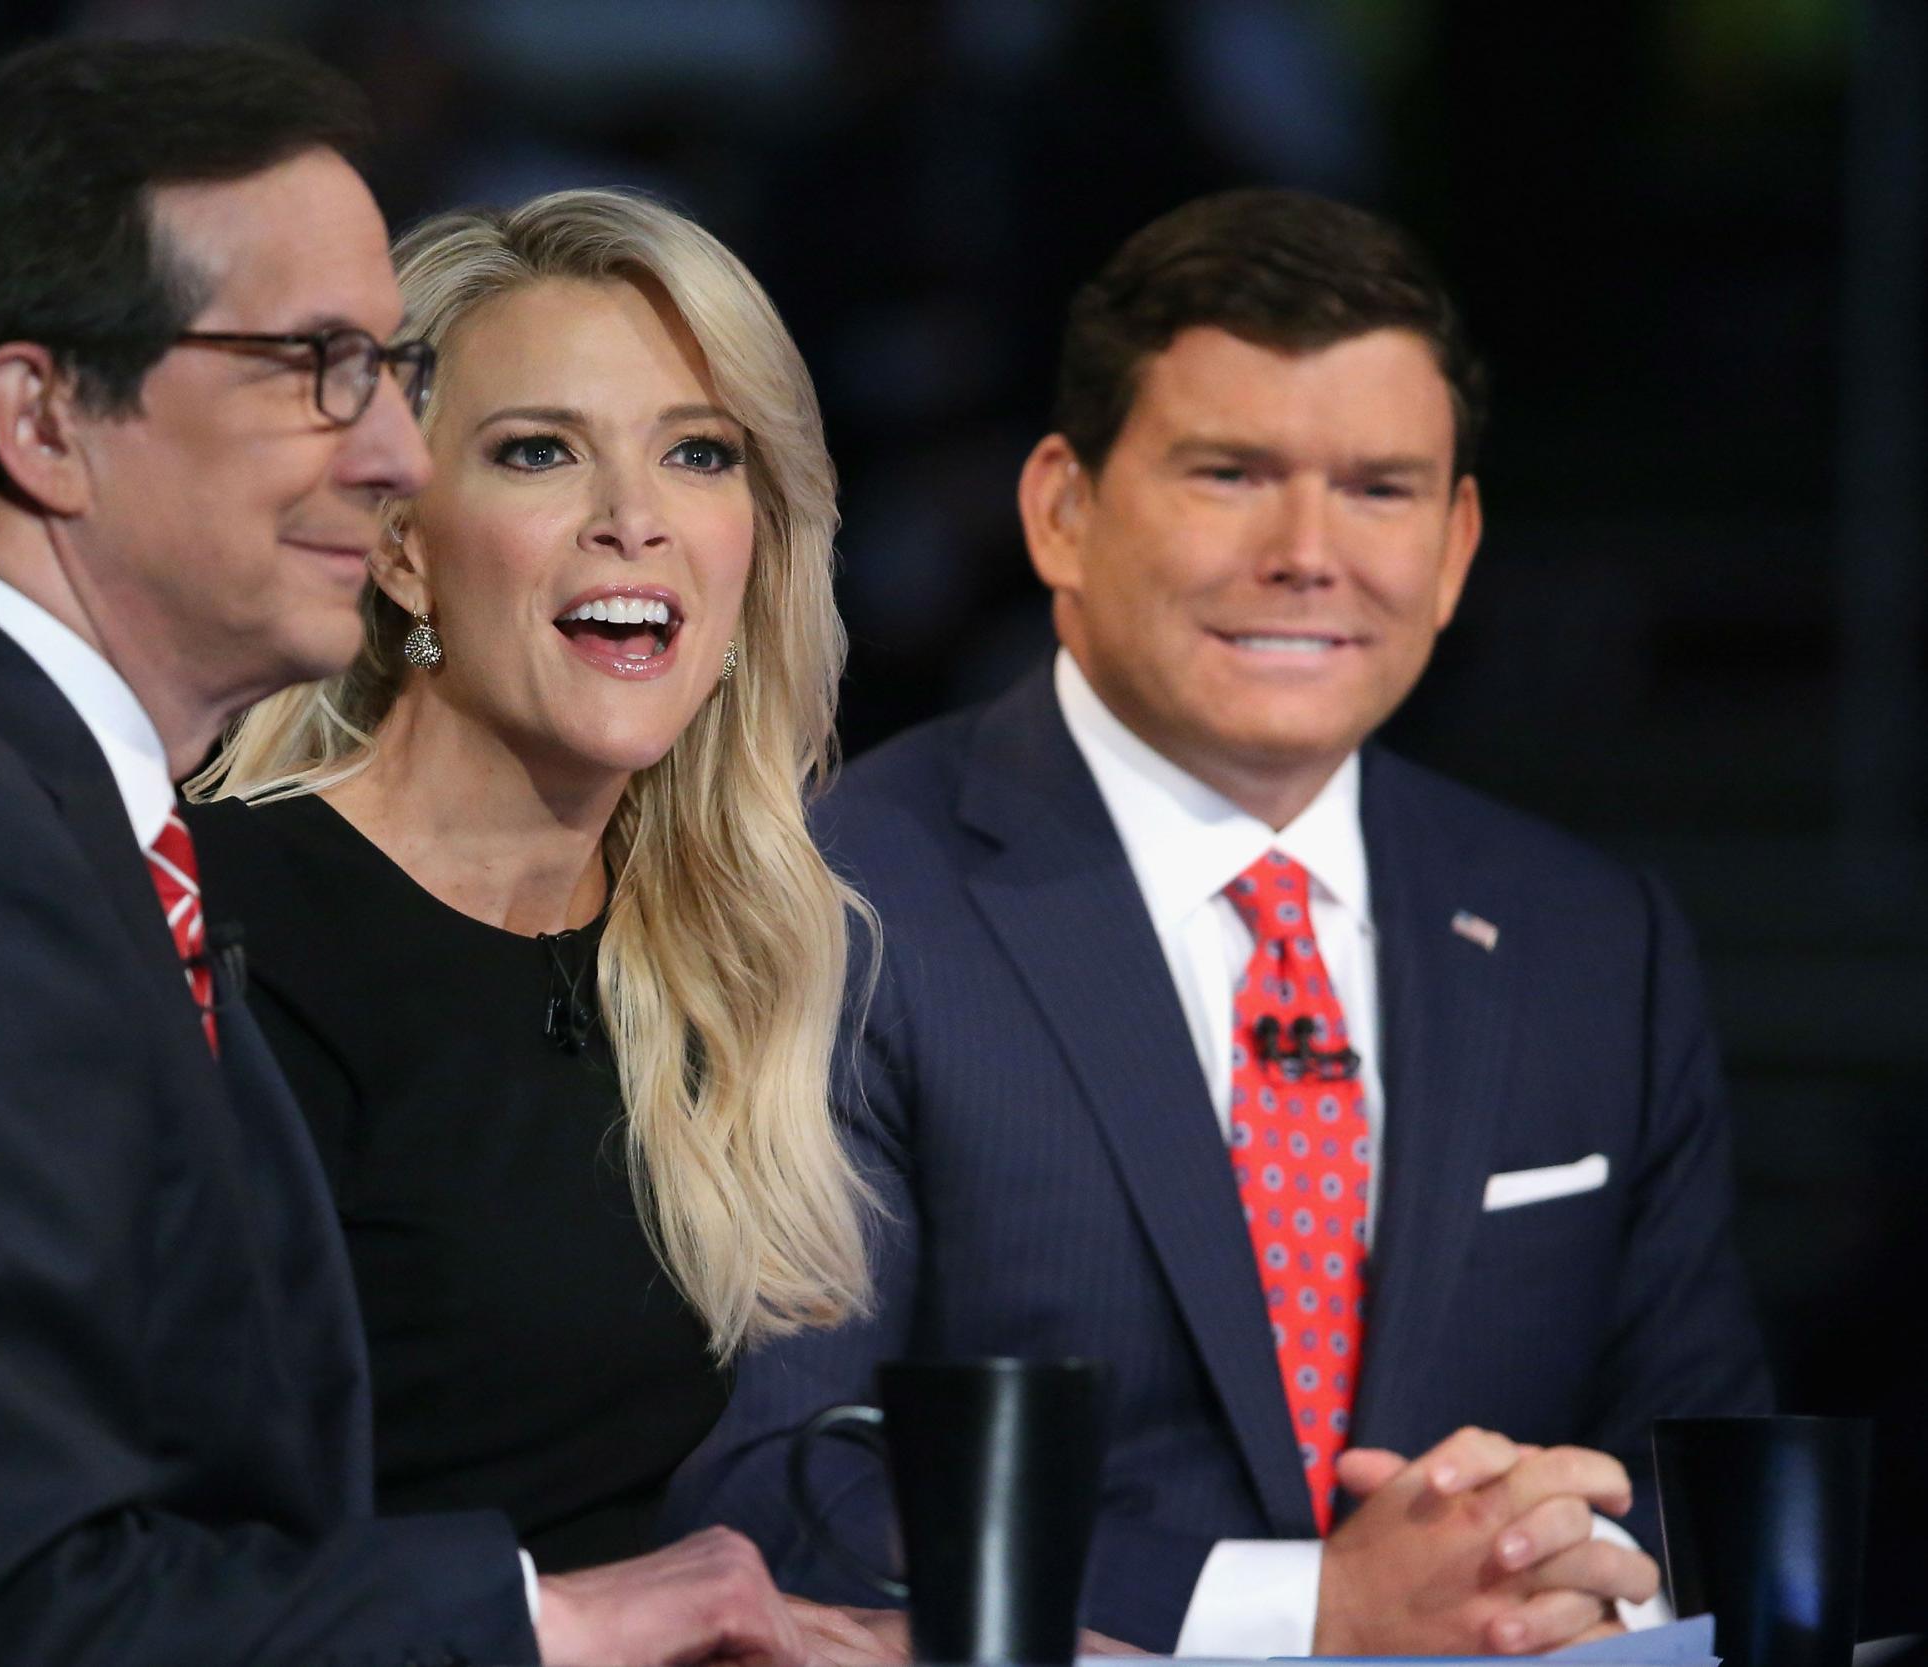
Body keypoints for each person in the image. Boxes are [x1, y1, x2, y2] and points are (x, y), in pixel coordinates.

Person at [0, 40, 827, 1667]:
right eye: (315, 366)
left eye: (383, 371)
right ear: (40, 418)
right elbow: (21, 1611)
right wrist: (547, 1617)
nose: (384, 455)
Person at [669, 188, 1772, 1655]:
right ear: (1062, 509)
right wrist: (1312, 1612)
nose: (1308, 551)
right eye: (1231, 473)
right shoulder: (838, 902)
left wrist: (1547, 1555)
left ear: (1454, 548)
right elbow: (778, 1487)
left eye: (1379, 489)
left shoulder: (1590, 936)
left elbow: (1705, 1460)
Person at [183, 184, 890, 1624]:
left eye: (699, 454)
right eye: (538, 453)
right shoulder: (223, 928)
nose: (634, 520)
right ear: (399, 545)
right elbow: (130, 1557)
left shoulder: (708, 951)